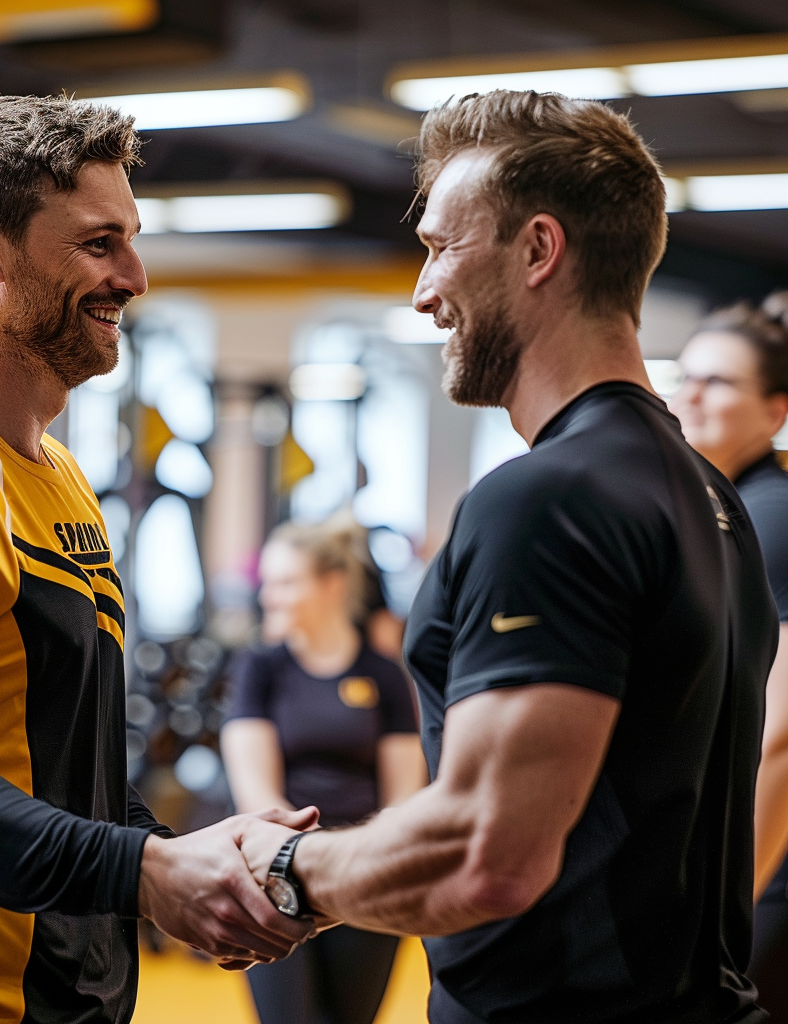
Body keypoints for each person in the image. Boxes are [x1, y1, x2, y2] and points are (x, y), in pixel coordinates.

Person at [236, 89, 779, 1024]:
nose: (422, 290)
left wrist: (283, 869)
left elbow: (489, 854)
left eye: (442, 246)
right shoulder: (706, 491)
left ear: (538, 249)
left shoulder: (547, 499)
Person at [0, 94, 315, 1024]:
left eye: (133, 239)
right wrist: (148, 874)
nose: (136, 275)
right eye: (97, 244)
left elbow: (54, 778)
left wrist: (182, 855)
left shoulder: (59, 477)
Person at [221, 518, 426, 1024]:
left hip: (367, 876)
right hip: (278, 877)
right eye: (267, 583)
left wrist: (363, 863)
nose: (270, 597)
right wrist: (315, 865)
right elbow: (257, 795)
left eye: (287, 583)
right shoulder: (259, 668)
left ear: (332, 586)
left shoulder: (384, 676)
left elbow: (403, 796)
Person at [671, 300, 788, 1022]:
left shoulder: (768, 515)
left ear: (775, 412)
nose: (691, 394)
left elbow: (780, 731)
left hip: (766, 864)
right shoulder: (724, 508)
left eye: (717, 382)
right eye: (684, 377)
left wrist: (727, 907)